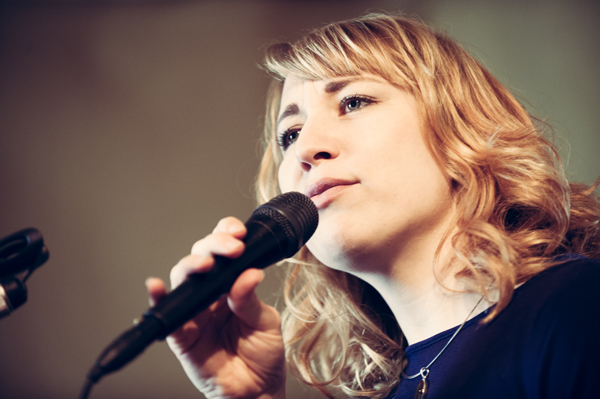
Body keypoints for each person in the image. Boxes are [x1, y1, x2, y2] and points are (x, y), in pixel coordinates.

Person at [145, 13, 600, 399]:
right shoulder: (404, 383)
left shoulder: (576, 309)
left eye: (353, 101)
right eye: (290, 134)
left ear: (461, 128)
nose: (306, 148)